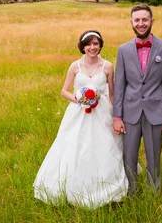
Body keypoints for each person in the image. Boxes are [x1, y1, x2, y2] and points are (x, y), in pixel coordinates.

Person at [33, 30, 128, 208]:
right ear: (82, 47)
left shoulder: (107, 66)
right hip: (78, 112)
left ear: (100, 46)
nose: (92, 47)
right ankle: (69, 186)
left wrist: (117, 116)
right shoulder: (75, 66)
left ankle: (107, 187)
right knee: (73, 146)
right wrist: (80, 99)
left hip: (102, 112)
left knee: (104, 146)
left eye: (96, 44)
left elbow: (113, 94)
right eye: (89, 44)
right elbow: (64, 91)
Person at [113, 4, 162, 194]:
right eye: (137, 20)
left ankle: (153, 193)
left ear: (152, 21)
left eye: (145, 20)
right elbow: (119, 85)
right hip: (130, 113)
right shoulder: (123, 50)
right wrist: (117, 117)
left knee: (153, 156)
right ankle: (130, 191)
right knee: (128, 157)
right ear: (131, 22)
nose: (141, 24)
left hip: (157, 113)